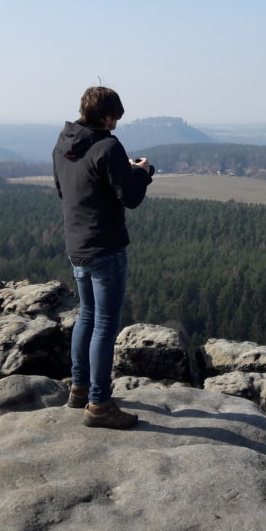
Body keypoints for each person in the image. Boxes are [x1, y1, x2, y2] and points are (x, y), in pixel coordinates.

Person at [52, 86, 153, 428]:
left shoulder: (64, 143)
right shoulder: (109, 145)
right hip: (105, 247)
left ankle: (79, 389)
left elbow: (65, 189)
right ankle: (99, 404)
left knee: (87, 316)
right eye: (115, 118)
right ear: (107, 116)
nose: (116, 124)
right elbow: (131, 198)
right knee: (105, 325)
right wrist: (141, 171)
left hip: (76, 245)